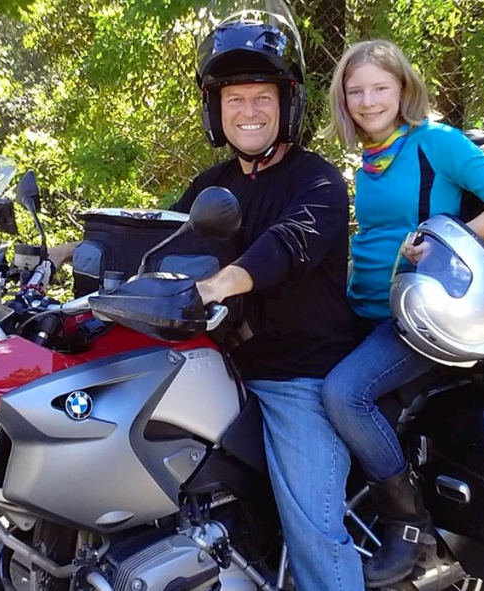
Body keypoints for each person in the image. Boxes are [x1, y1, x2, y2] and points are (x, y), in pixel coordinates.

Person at [320, 39, 484, 588]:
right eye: (356, 91)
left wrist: (448, 235)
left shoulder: (436, 142)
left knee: (343, 394)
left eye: (380, 87)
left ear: (403, 88)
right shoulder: (370, 160)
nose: (368, 101)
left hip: (424, 322)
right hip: (368, 310)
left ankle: (406, 524)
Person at [169, 2, 364, 590]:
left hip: (293, 378)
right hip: (213, 370)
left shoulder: (319, 180)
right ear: (215, 109)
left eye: (261, 97)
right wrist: (65, 255)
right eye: (234, 99)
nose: (248, 111)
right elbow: (156, 234)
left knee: (315, 533)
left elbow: (285, 245)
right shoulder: (212, 185)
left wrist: (219, 283)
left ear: (288, 104)